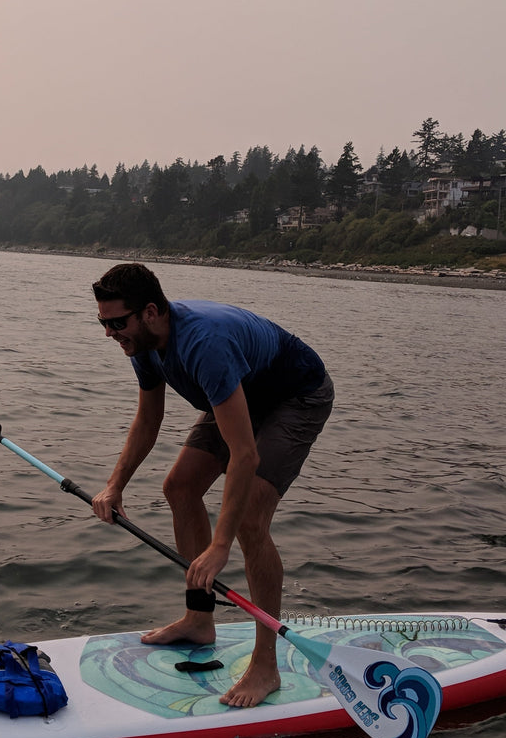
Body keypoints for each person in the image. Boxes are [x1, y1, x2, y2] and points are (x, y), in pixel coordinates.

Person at [89, 263, 334, 708]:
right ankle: (199, 619)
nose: (109, 333)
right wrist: (114, 487)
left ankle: (266, 666)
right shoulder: (141, 344)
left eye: (116, 323)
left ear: (148, 312)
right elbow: (149, 419)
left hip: (296, 396)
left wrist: (220, 545)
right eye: (103, 323)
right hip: (242, 393)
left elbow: (246, 456)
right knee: (180, 487)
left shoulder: (206, 344)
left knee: (249, 518)